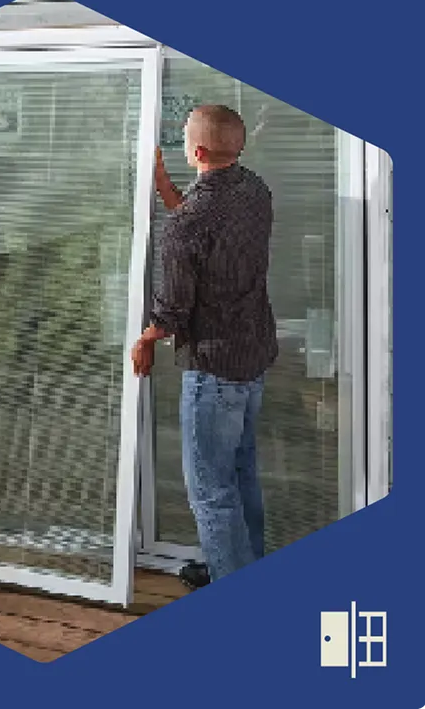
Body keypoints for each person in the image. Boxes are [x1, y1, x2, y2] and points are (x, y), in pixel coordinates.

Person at [132, 106, 278, 588]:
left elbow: (172, 309)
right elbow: (204, 231)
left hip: (215, 368)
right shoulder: (255, 190)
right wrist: (164, 188)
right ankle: (237, 565)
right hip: (252, 356)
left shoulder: (189, 222)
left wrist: (146, 338)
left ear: (195, 151)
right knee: (240, 473)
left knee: (212, 491)